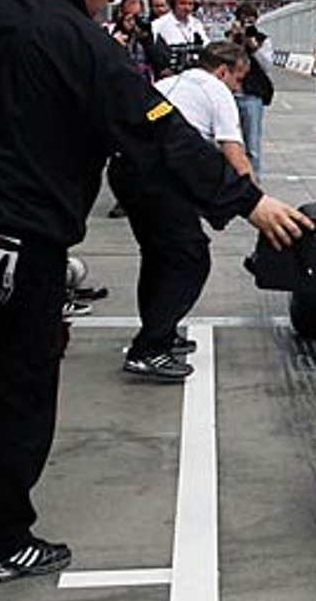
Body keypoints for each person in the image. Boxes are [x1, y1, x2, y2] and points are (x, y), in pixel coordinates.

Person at [0, 0, 309, 585]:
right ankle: (0, 542)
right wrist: (247, 200)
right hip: (19, 243)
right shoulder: (79, 41)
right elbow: (160, 131)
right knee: (17, 389)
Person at [108, 40, 255, 382]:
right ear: (222, 71)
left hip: (125, 174)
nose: (237, 88)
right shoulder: (216, 92)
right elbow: (234, 154)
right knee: (191, 257)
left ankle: (162, 330)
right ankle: (150, 348)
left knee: (159, 256)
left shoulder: (166, 83)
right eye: (237, 80)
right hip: (156, 177)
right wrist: (259, 203)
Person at [228, 4, 274, 175]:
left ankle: (254, 183)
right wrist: (233, 40)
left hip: (252, 96)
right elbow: (220, 60)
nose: (247, 24)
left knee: (252, 146)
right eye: (244, 19)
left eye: (251, 20)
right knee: (230, 142)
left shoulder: (263, 40)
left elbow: (267, 66)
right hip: (230, 95)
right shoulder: (230, 38)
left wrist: (254, 47)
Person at [150, 0, 208, 76]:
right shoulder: (158, 25)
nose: (187, 8)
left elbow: (206, 47)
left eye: (190, 4)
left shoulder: (197, 24)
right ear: (173, 3)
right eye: (183, 3)